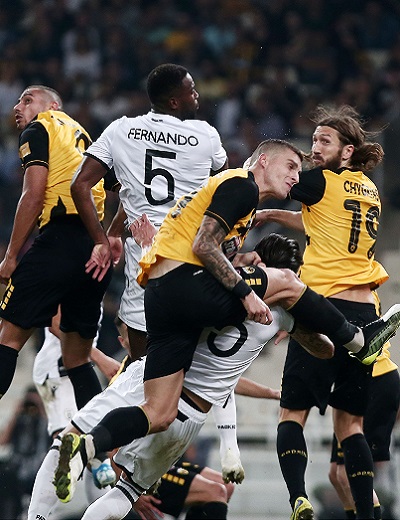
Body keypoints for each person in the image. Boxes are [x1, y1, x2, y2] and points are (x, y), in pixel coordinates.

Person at [56, 137, 400, 505]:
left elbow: (199, 244)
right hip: (187, 298)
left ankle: (89, 443)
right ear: (263, 161)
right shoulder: (242, 185)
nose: (296, 177)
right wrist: (246, 293)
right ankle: (359, 339)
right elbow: (204, 245)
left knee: (157, 412)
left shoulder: (236, 201)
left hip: (163, 299)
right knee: (288, 282)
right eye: (290, 167)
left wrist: (234, 261)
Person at [49, 232, 333, 518]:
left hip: (159, 378)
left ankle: (90, 443)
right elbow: (326, 349)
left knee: (139, 475)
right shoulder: (282, 315)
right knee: (130, 490)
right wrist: (299, 326)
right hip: (188, 411)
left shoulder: (218, 287)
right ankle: (90, 446)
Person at [255, 105, 397, 519]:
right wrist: (272, 216)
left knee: (292, 414)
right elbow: (320, 222)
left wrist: (253, 197)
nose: (314, 148)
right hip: (365, 311)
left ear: (347, 151)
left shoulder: (318, 181)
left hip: (323, 307)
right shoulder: (368, 190)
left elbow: (275, 180)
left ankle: (298, 497)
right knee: (350, 426)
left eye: (324, 141)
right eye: (314, 139)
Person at [75, 62, 228, 362]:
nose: (197, 95)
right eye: (191, 91)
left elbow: (80, 185)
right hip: (192, 263)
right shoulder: (205, 135)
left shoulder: (121, 130)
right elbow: (227, 189)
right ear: (174, 101)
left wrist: (103, 238)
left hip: (144, 267)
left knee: (141, 369)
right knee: (191, 371)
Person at [0, 85, 113, 410]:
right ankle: (96, 440)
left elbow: (33, 195)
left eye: (27, 100)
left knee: (8, 336)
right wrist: (112, 237)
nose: (18, 108)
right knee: (77, 358)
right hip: (94, 251)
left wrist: (10, 257)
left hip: (58, 241)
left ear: (53, 106)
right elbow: (120, 187)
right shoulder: (88, 139)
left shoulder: (40, 128)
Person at [32, 307, 121, 501]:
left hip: (77, 370)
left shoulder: (95, 289)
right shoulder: (71, 285)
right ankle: (40, 512)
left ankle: (101, 509)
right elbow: (56, 324)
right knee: (70, 447)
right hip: (59, 371)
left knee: (96, 455)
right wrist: (100, 358)